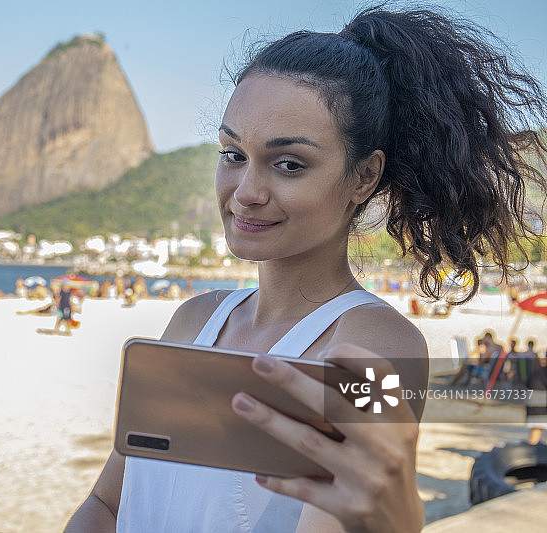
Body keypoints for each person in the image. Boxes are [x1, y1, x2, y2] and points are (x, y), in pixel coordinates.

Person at [67, 5, 547, 532]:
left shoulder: (377, 344)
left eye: (289, 164)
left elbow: (358, 513)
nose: (246, 192)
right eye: (233, 154)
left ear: (365, 177)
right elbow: (107, 504)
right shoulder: (192, 321)